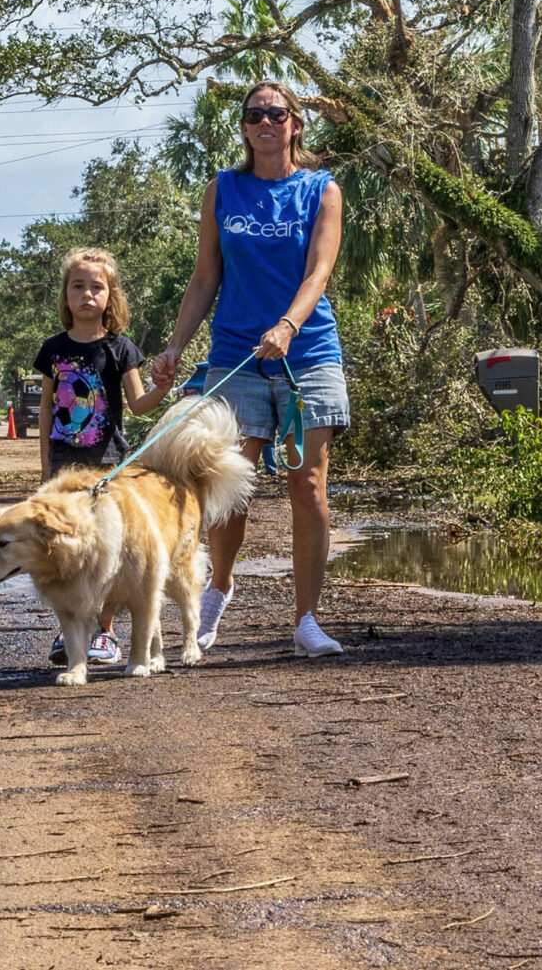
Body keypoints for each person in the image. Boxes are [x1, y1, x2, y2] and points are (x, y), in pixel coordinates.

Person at [150, 80, 348, 658]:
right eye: (255, 115)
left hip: (307, 352)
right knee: (229, 485)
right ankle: (219, 587)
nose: (266, 122)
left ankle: (307, 618)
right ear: (243, 127)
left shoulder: (321, 190)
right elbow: (205, 276)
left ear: (295, 124)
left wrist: (287, 325)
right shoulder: (223, 189)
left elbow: (318, 272)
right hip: (235, 353)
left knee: (307, 486)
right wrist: (175, 347)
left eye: (277, 114)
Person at [35, 246, 173, 666]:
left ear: (110, 297)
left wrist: (163, 388)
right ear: (66, 296)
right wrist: (45, 466)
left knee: (107, 552)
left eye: (97, 287)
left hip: (109, 464)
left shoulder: (120, 348)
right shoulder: (52, 350)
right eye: (78, 286)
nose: (87, 295)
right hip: (64, 468)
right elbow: (44, 409)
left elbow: (138, 404)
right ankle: (72, 631)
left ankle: (107, 633)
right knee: (66, 550)